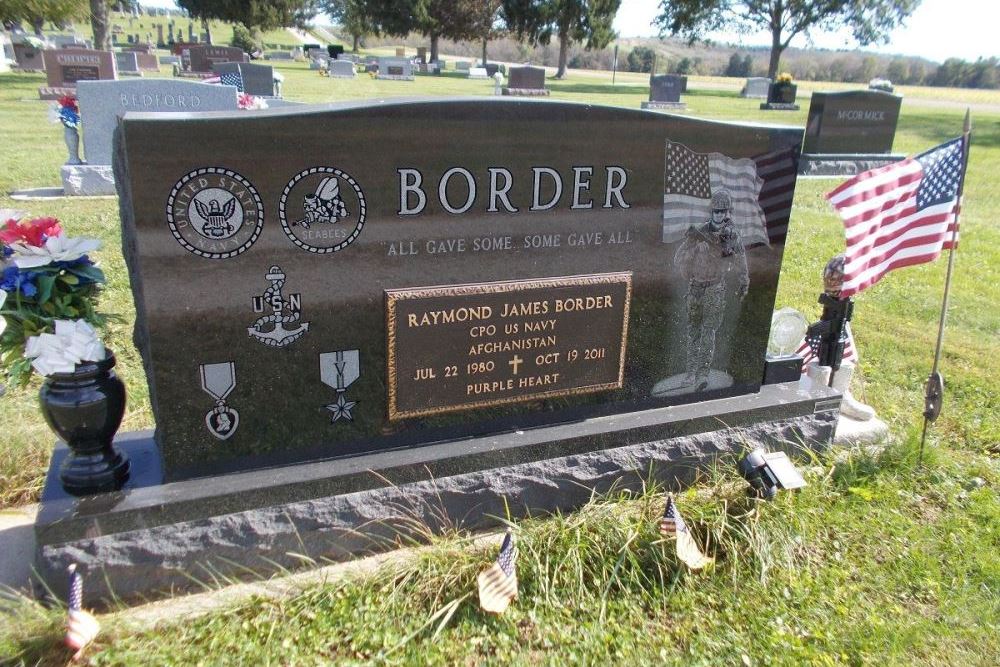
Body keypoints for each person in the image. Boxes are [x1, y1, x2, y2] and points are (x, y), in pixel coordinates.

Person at [673, 189, 749, 390]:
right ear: (711, 212)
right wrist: (694, 250)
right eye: (716, 211)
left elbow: (740, 259)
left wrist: (744, 281)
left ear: (727, 212)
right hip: (696, 288)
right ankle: (690, 373)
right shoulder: (699, 233)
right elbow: (679, 257)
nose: (719, 215)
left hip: (715, 288)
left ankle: (703, 374)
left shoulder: (731, 235)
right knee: (693, 331)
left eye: (722, 212)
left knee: (708, 332)